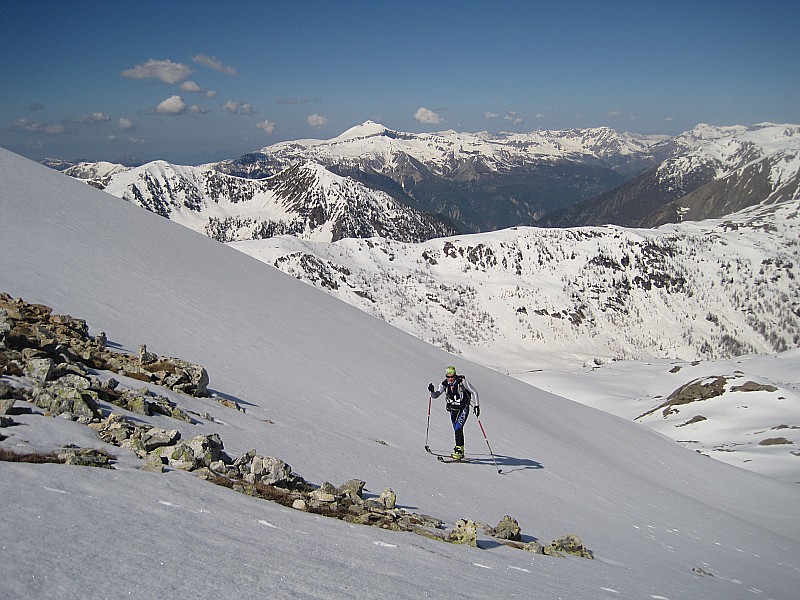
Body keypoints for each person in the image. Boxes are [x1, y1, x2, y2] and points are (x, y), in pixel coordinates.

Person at [428, 365, 480, 460]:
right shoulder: (444, 384)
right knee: (457, 430)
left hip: (463, 408)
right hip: (453, 410)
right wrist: (431, 391)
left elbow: (474, 391)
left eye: (452, 376)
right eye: (448, 376)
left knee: (458, 428)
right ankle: (460, 450)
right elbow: (435, 395)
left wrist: (476, 405)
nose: (451, 379)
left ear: (455, 375)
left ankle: (458, 450)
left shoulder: (462, 382)